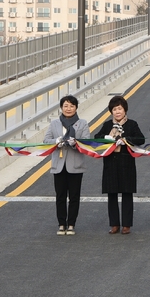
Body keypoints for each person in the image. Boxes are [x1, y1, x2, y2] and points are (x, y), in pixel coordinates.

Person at [96, 95, 145, 235]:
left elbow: (140, 138)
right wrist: (107, 138)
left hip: (126, 163)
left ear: (125, 110)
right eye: (114, 109)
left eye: (120, 109)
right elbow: (96, 138)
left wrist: (126, 140)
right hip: (110, 163)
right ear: (111, 111)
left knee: (127, 193)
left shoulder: (132, 124)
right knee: (111, 194)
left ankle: (127, 224)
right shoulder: (107, 125)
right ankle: (114, 224)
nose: (117, 112)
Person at [43, 95, 89, 236]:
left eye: (71, 106)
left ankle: (71, 224)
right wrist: (56, 141)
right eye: (66, 106)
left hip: (75, 165)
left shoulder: (82, 123)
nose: (68, 109)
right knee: (60, 196)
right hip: (59, 165)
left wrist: (76, 143)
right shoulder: (55, 124)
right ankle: (61, 223)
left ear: (76, 107)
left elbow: (87, 142)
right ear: (61, 107)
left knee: (74, 196)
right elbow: (46, 141)